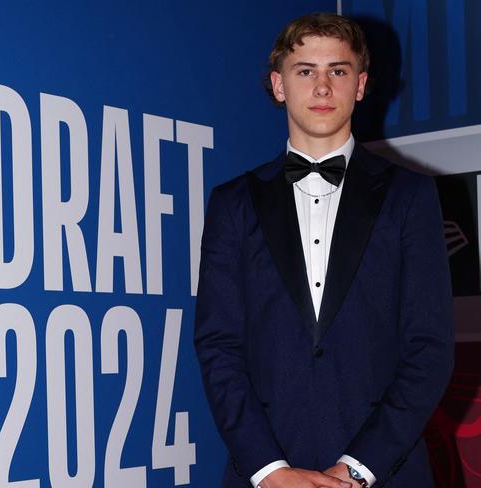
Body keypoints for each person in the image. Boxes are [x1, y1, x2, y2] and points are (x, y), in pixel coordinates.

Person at [194, 12, 454, 488]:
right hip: (265, 474)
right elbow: (218, 347)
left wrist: (356, 468)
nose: (321, 87)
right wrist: (269, 471)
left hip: (385, 473)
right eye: (305, 71)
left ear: (360, 85)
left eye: (338, 71)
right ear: (278, 85)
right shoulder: (232, 203)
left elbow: (429, 349)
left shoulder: (410, 196)